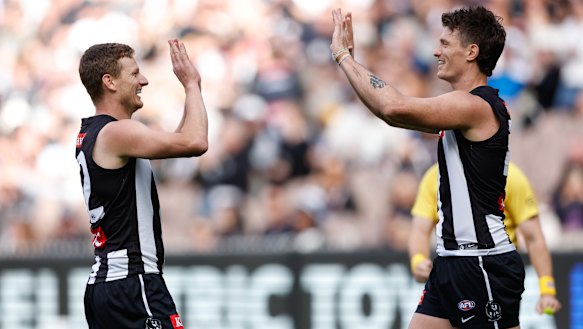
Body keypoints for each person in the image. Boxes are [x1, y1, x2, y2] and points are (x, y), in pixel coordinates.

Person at [331, 5, 523, 329]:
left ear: (472, 52)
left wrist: (343, 58)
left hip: (480, 261)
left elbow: (392, 107)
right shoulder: (463, 108)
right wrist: (352, 64)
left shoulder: (473, 105)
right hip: (451, 261)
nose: (436, 51)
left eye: (446, 44)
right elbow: (389, 114)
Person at [76, 39, 208, 328]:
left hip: (109, 285)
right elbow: (196, 141)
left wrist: (191, 89)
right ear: (109, 82)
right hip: (132, 282)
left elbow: (179, 141)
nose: (144, 80)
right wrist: (191, 85)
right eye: (134, 74)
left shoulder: (98, 133)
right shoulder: (116, 132)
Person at [409, 162, 561, 316]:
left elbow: (533, 237)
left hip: (493, 272)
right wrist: (418, 261)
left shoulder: (509, 176)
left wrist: (546, 289)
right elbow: (420, 230)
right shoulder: (434, 176)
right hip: (448, 273)